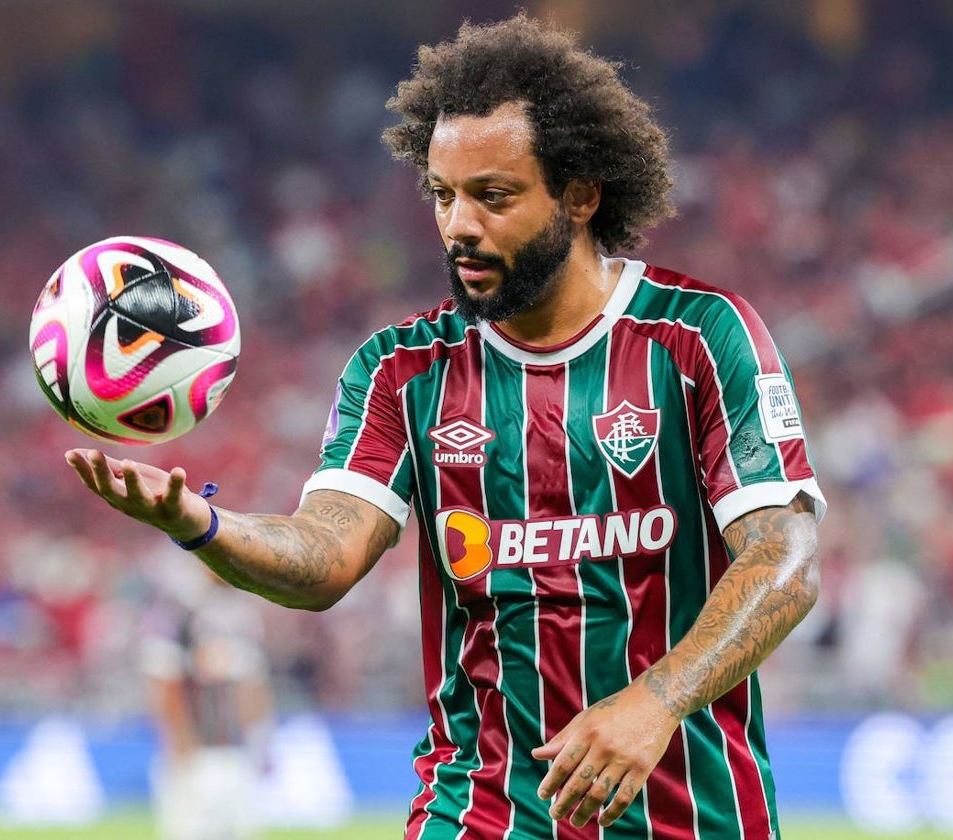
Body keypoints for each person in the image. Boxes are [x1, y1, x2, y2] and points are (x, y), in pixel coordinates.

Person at [66, 14, 825, 839]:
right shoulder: (402, 370)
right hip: (485, 810)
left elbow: (785, 559)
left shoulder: (699, 338)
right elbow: (325, 557)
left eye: (493, 196)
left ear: (579, 193)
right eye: (443, 194)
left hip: (695, 815)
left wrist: (657, 700)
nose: (459, 224)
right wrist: (202, 524)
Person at [140, 562, 274, 840]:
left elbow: (253, 687)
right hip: (196, 752)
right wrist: (179, 743)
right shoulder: (177, 613)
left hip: (236, 752)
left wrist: (258, 741)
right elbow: (164, 683)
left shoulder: (241, 613)